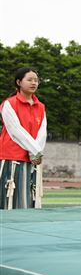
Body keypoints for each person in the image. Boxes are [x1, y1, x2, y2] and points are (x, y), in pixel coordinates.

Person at [0, 68, 47, 209]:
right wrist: (35, 151)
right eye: (30, 79)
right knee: (8, 200)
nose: (34, 83)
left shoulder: (41, 107)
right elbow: (16, 131)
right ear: (19, 82)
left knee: (28, 200)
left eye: (36, 80)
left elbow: (42, 132)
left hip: (32, 159)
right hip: (11, 158)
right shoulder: (9, 104)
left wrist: (36, 152)